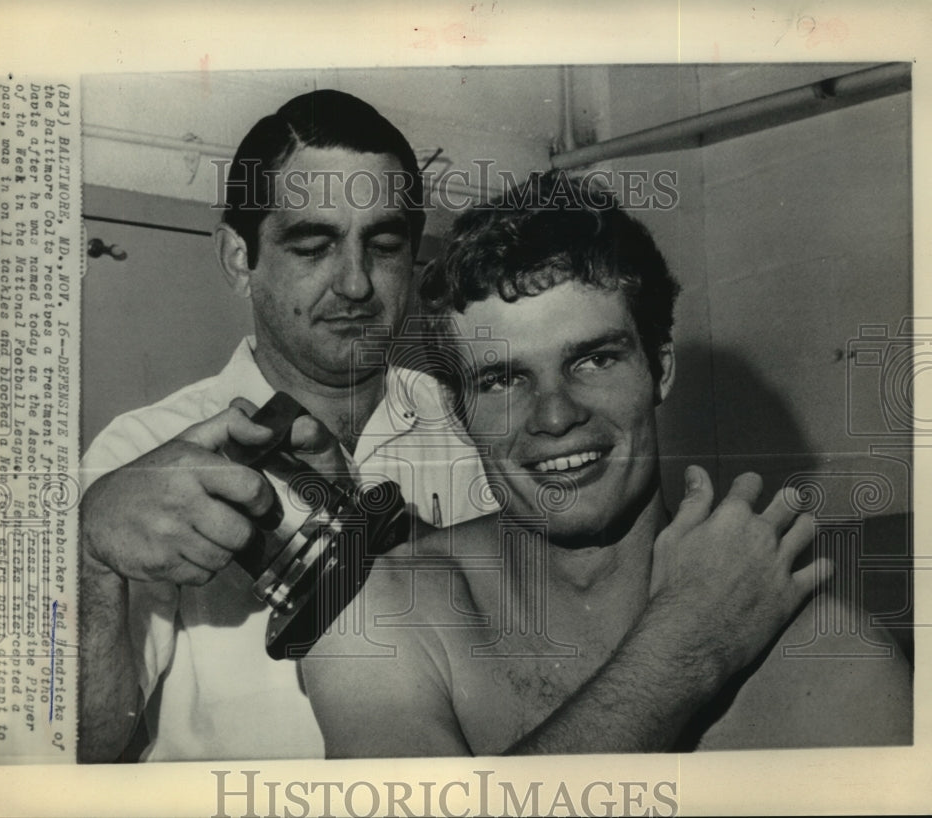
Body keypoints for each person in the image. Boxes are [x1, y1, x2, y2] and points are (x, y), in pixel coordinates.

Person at [302, 172, 913, 755]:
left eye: (593, 360)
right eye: (503, 379)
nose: (555, 415)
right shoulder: (384, 613)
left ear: (660, 370)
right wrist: (687, 641)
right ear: (459, 411)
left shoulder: (838, 655)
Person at [77, 90, 493, 762]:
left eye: (384, 245)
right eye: (312, 245)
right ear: (239, 259)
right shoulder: (137, 454)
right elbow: (67, 752)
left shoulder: (478, 429)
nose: (356, 284)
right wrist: (91, 560)